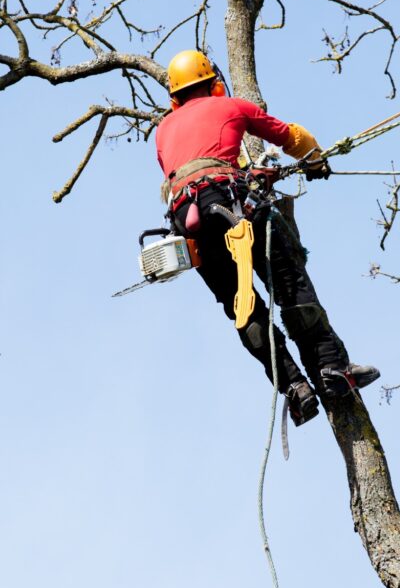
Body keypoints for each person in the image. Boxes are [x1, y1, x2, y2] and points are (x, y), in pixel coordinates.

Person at [155, 49, 379, 426]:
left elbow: (196, 165)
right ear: (215, 85)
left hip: (188, 222)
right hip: (233, 203)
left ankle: (295, 388)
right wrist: (315, 159)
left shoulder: (163, 130)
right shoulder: (230, 106)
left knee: (242, 306)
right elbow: (290, 136)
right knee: (290, 285)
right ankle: (331, 369)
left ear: (174, 99)